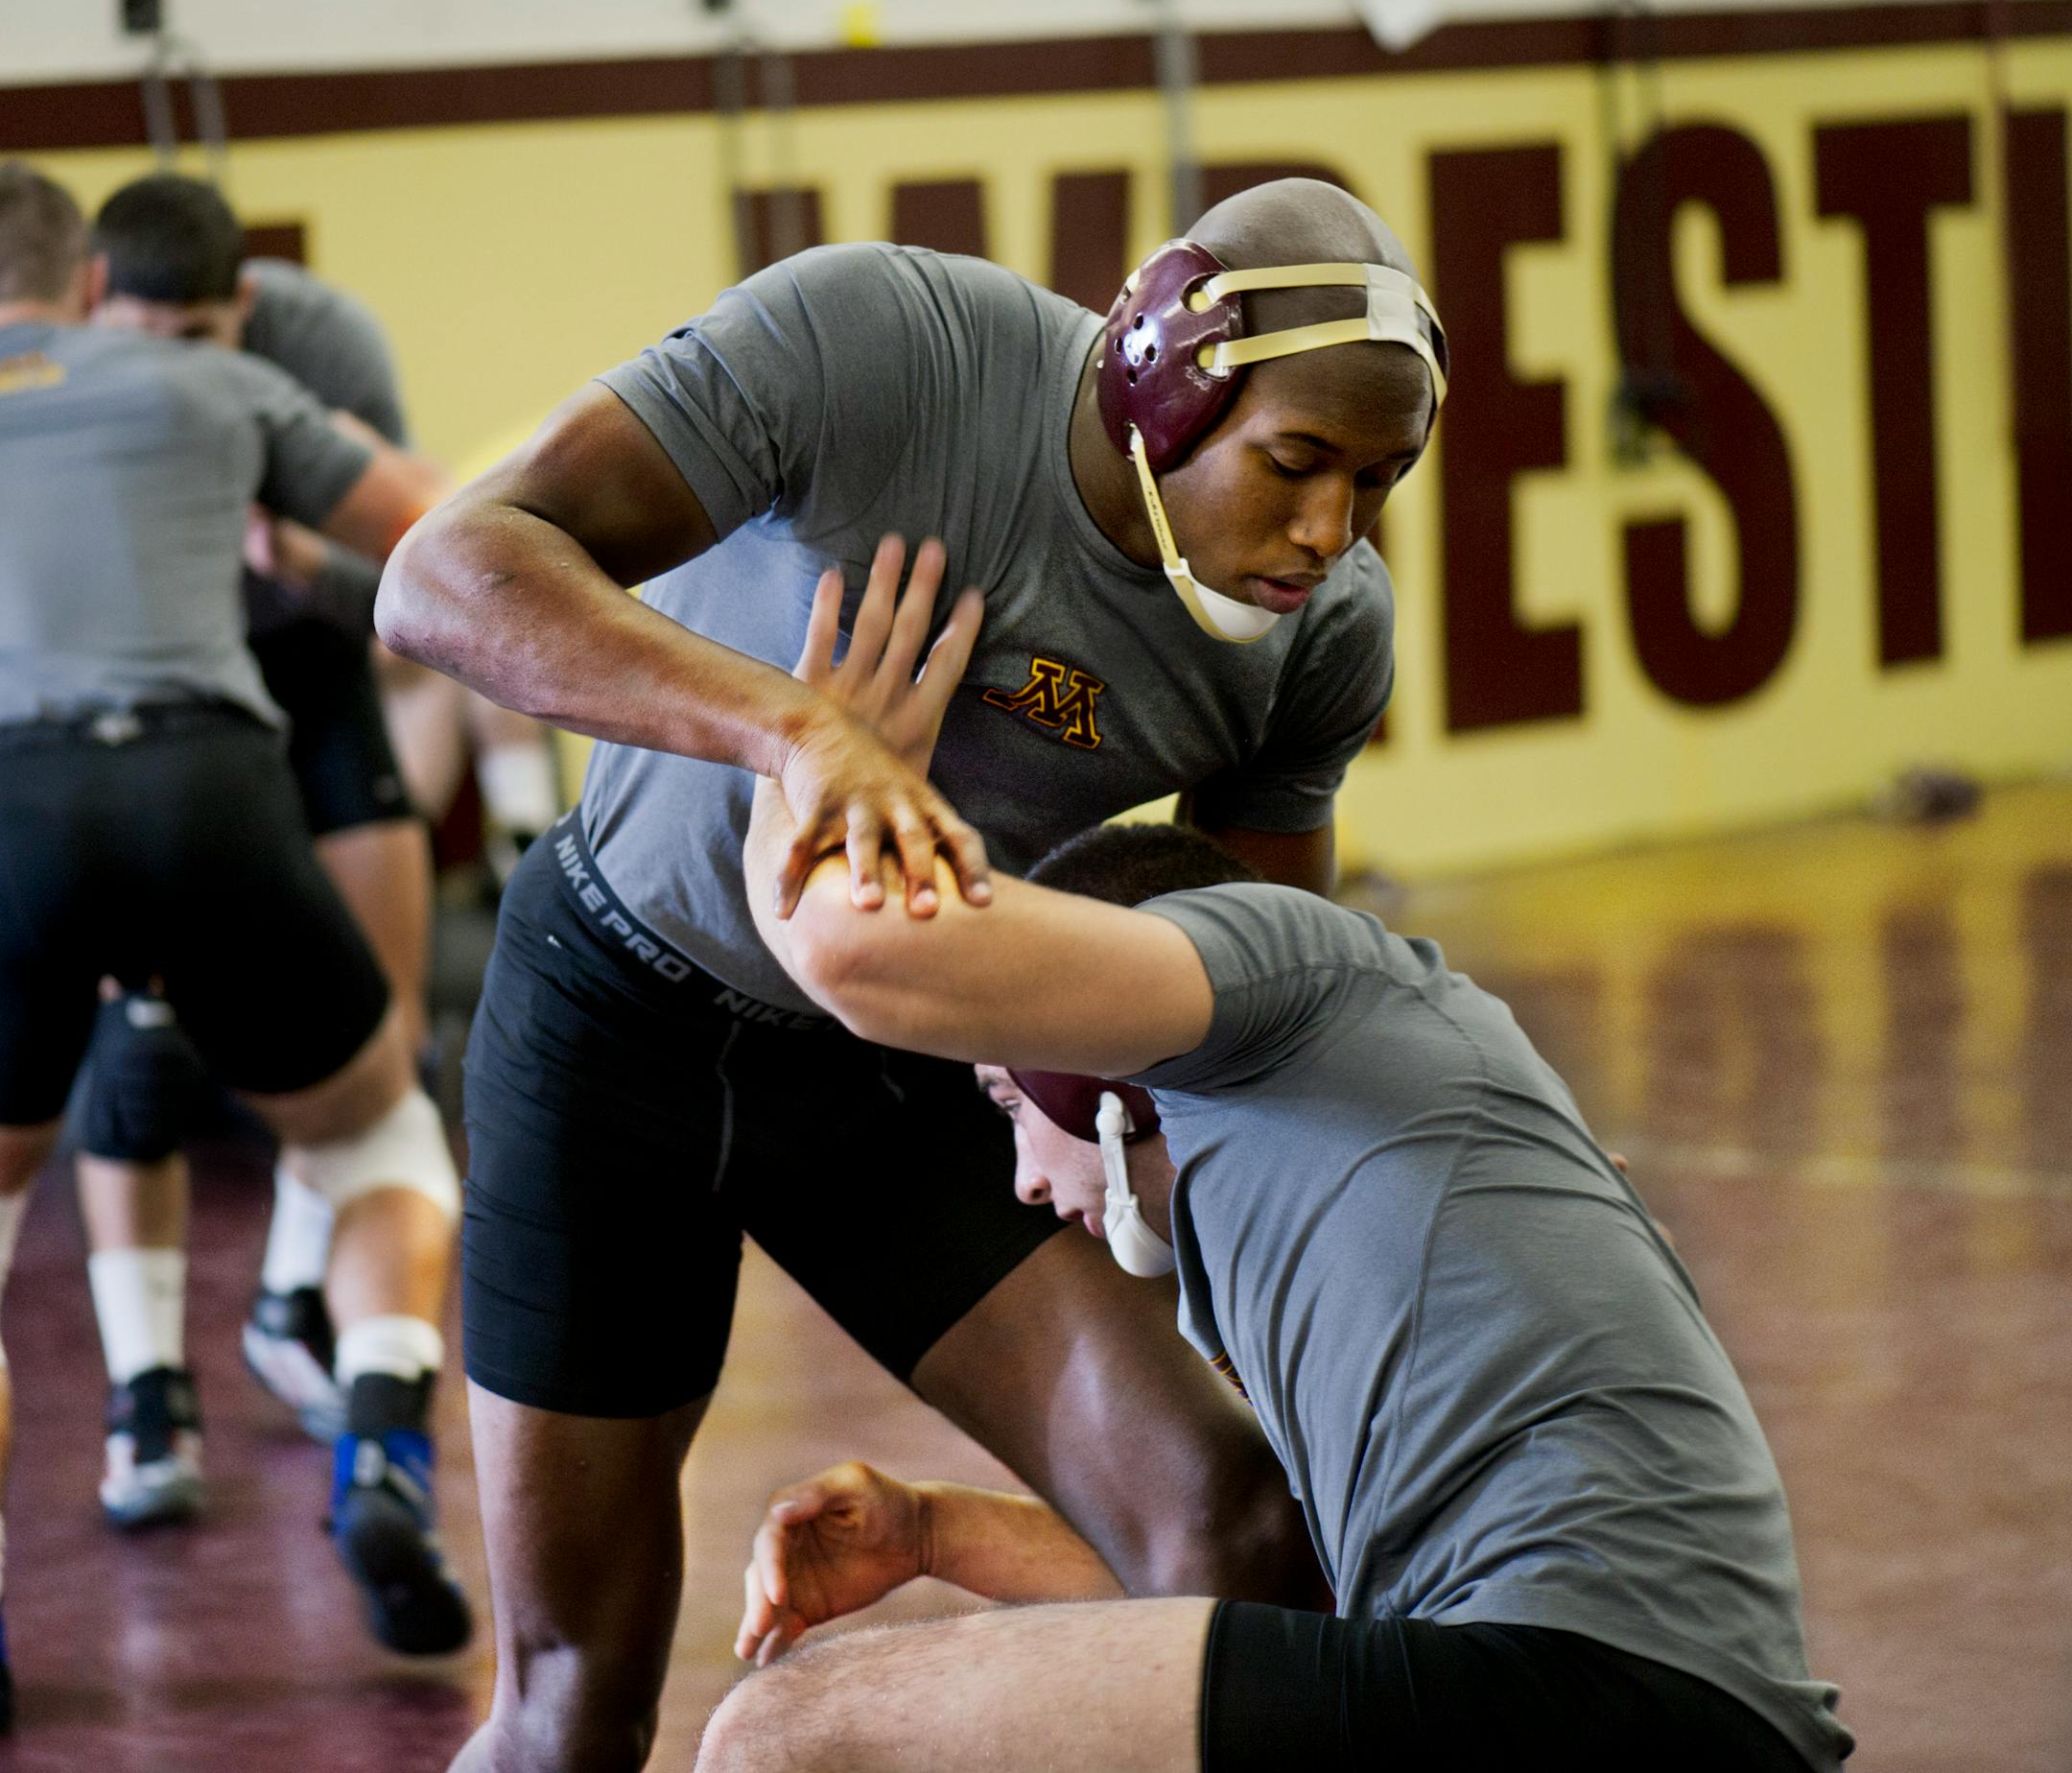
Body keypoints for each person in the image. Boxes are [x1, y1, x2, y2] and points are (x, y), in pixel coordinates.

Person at [377, 176, 1447, 1768]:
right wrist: (790, 727)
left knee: (1232, 1527)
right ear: (1164, 386)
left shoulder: (1321, 632)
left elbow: (1253, 992)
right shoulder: (887, 344)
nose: (1327, 532)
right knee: (572, 1698)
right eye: (1297, 465)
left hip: (906, 1056)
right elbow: (442, 574)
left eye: (1375, 481)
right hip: (608, 1015)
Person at [692, 558, 1855, 1772]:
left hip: (1576, 1682)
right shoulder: (1348, 1159)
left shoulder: (1289, 964)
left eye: (1005, 1101)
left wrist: (800, 758)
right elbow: (1290, 1592)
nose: (1025, 1179)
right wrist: (936, 1535)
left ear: (1095, 1073)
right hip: (1631, 1701)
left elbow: (868, 965)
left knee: (788, 1733)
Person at [0, 164, 472, 1681]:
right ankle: (385, 1446)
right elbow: (451, 540)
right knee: (382, 1141)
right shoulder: (218, 376)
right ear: (87, 281)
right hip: (214, 784)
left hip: (11, 803)